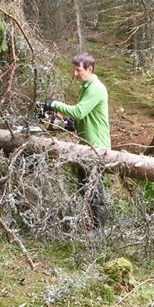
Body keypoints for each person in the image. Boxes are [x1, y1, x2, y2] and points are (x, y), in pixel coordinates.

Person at [45, 52, 110, 229]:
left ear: (89, 69)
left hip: (97, 147)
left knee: (95, 191)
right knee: (84, 188)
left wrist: (54, 104)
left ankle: (99, 231)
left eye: (78, 70)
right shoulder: (85, 87)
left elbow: (79, 111)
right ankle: (91, 226)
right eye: (74, 70)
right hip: (85, 146)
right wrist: (68, 123)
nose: (75, 74)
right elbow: (84, 116)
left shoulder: (96, 88)